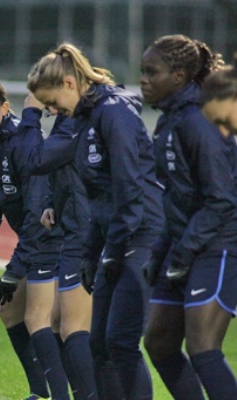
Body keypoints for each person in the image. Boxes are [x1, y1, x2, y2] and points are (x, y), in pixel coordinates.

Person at [27, 43, 165, 399]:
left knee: (121, 342)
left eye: (53, 102)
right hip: (114, 239)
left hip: (141, 235)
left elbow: (129, 191)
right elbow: (99, 198)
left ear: (70, 83)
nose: (54, 111)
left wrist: (113, 252)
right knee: (98, 344)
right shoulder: (85, 118)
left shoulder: (113, 113)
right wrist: (92, 252)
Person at [141, 34, 237, 399]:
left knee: (203, 347)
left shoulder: (199, 121)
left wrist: (182, 252)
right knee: (160, 342)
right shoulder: (169, 121)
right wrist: (162, 251)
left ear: (179, 76)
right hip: (186, 245)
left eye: (153, 72)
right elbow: (176, 200)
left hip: (220, 243)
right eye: (142, 72)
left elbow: (223, 199)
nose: (144, 79)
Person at [0, 76, 69, 400]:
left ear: (5, 108)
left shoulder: (22, 142)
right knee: (10, 312)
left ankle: (66, 392)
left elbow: (37, 213)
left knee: (45, 321)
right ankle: (40, 392)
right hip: (34, 243)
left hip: (53, 239)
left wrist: (14, 269)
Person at [19, 98, 98, 400]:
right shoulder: (68, 122)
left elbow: (34, 161)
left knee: (76, 329)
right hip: (73, 228)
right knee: (56, 323)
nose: (36, 96)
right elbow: (67, 171)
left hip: (85, 232)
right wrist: (54, 202)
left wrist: (30, 115)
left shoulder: (75, 123)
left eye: (41, 89)